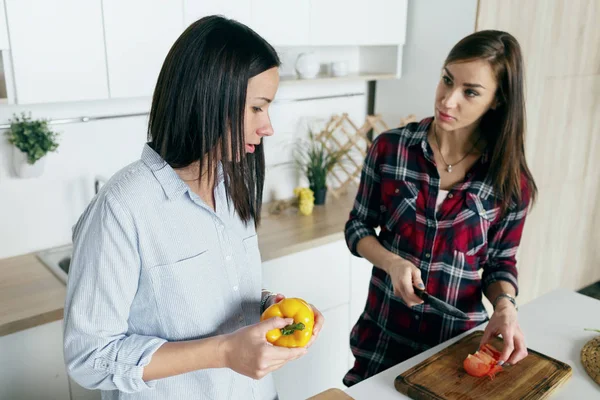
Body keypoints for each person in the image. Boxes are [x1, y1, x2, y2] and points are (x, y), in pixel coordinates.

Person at [63, 15, 324, 399]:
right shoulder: (122, 207)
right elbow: (89, 356)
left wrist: (270, 307)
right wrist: (224, 352)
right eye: (257, 108)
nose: (267, 126)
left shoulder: (230, 184)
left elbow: (209, 292)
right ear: (210, 98)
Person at [343, 30, 537, 386]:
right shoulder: (390, 149)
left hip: (454, 349)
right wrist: (392, 261)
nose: (448, 100)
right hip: (382, 340)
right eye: (447, 80)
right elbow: (357, 227)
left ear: (497, 100)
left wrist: (506, 306)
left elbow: (499, 263)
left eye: (470, 92)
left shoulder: (511, 182)